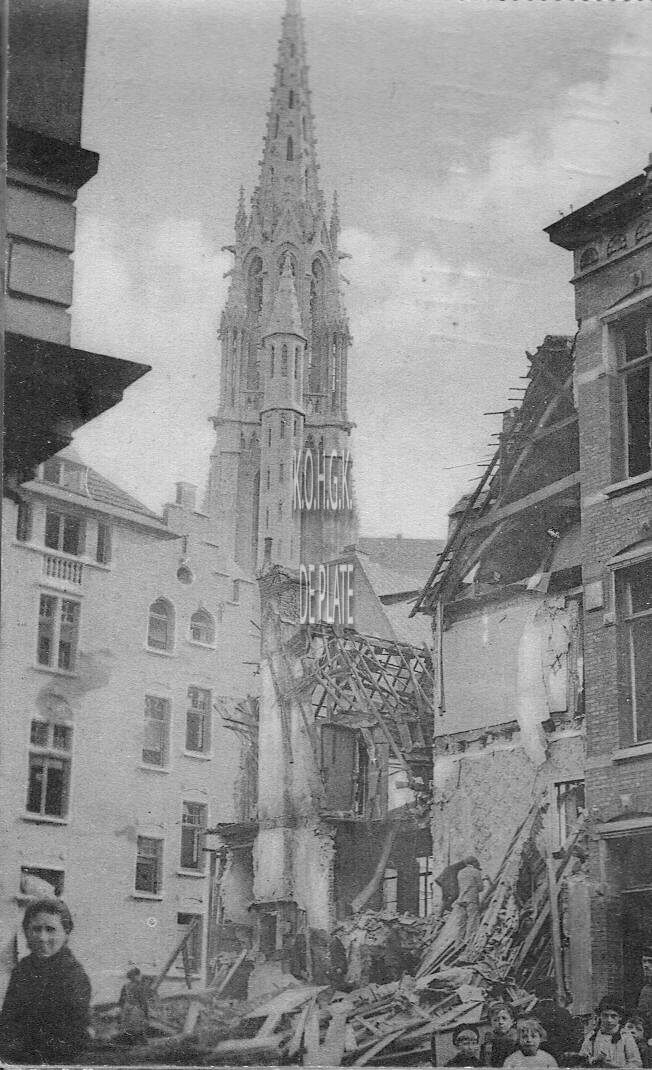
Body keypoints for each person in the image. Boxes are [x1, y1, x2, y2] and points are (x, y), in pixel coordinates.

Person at [0, 898, 91, 1064]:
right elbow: (7, 1022)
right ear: (26, 932)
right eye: (36, 929)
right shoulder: (22, 969)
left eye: (50, 929)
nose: (42, 938)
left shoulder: (72, 976)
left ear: (66, 933)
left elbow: (70, 1040)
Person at [579, 995, 642, 1067]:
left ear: (620, 1017)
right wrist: (593, 1060)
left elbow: (636, 1063)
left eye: (613, 1016)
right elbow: (582, 1059)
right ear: (600, 1016)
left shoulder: (626, 1037)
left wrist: (617, 1067)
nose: (609, 1020)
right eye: (605, 1015)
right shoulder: (592, 1036)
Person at [532, 977, 583, 1061]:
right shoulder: (564, 1013)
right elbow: (572, 1040)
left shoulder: (532, 1014)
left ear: (536, 994)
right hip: (560, 1058)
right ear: (554, 993)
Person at [454, 857, 483, 948]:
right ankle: (469, 945)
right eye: (477, 862)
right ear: (474, 863)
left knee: (461, 924)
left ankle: (458, 945)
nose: (478, 864)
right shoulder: (476, 871)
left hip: (461, 900)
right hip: (471, 899)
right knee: (472, 922)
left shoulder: (460, 872)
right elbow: (480, 888)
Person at [479, 1001, 519, 1067]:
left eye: (504, 1018)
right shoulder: (488, 1042)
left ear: (512, 1021)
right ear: (491, 1023)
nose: (500, 1022)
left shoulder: (517, 1041)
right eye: (495, 1020)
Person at [118, 967, 149, 1044]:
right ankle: (142, 1043)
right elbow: (143, 1001)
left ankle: (130, 1042)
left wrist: (122, 1010)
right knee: (139, 1027)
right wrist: (146, 1014)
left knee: (128, 1027)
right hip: (135, 1009)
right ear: (136, 976)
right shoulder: (140, 986)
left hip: (127, 1008)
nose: (140, 976)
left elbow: (121, 1000)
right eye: (139, 975)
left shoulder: (126, 985)